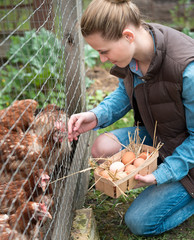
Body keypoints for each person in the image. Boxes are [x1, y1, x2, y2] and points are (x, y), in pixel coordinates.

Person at [67, 0, 194, 236]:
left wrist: (161, 176)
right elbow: (125, 93)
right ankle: (166, 175)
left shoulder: (188, 70)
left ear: (127, 35)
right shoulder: (136, 48)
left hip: (190, 152)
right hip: (163, 136)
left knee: (139, 222)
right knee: (103, 146)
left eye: (104, 51)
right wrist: (95, 116)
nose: (103, 59)